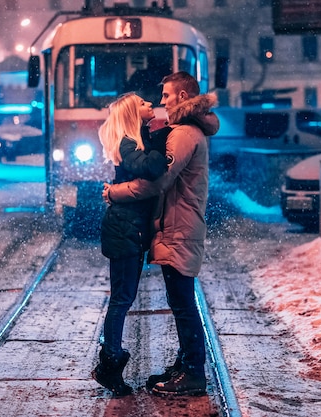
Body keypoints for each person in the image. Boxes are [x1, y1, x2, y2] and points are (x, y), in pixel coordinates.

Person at [103, 71, 219, 396]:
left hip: (180, 226)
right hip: (177, 224)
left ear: (182, 97)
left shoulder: (182, 134)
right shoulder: (183, 131)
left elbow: (158, 181)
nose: (161, 101)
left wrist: (116, 192)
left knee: (183, 304)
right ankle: (186, 364)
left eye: (166, 95)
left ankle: (193, 372)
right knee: (180, 300)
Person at [92, 93, 169, 397]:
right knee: (121, 299)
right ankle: (109, 364)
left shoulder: (137, 140)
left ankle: (110, 359)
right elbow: (151, 168)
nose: (151, 104)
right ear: (132, 114)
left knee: (123, 297)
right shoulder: (129, 143)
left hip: (128, 229)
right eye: (143, 103)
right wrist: (165, 143)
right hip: (124, 229)